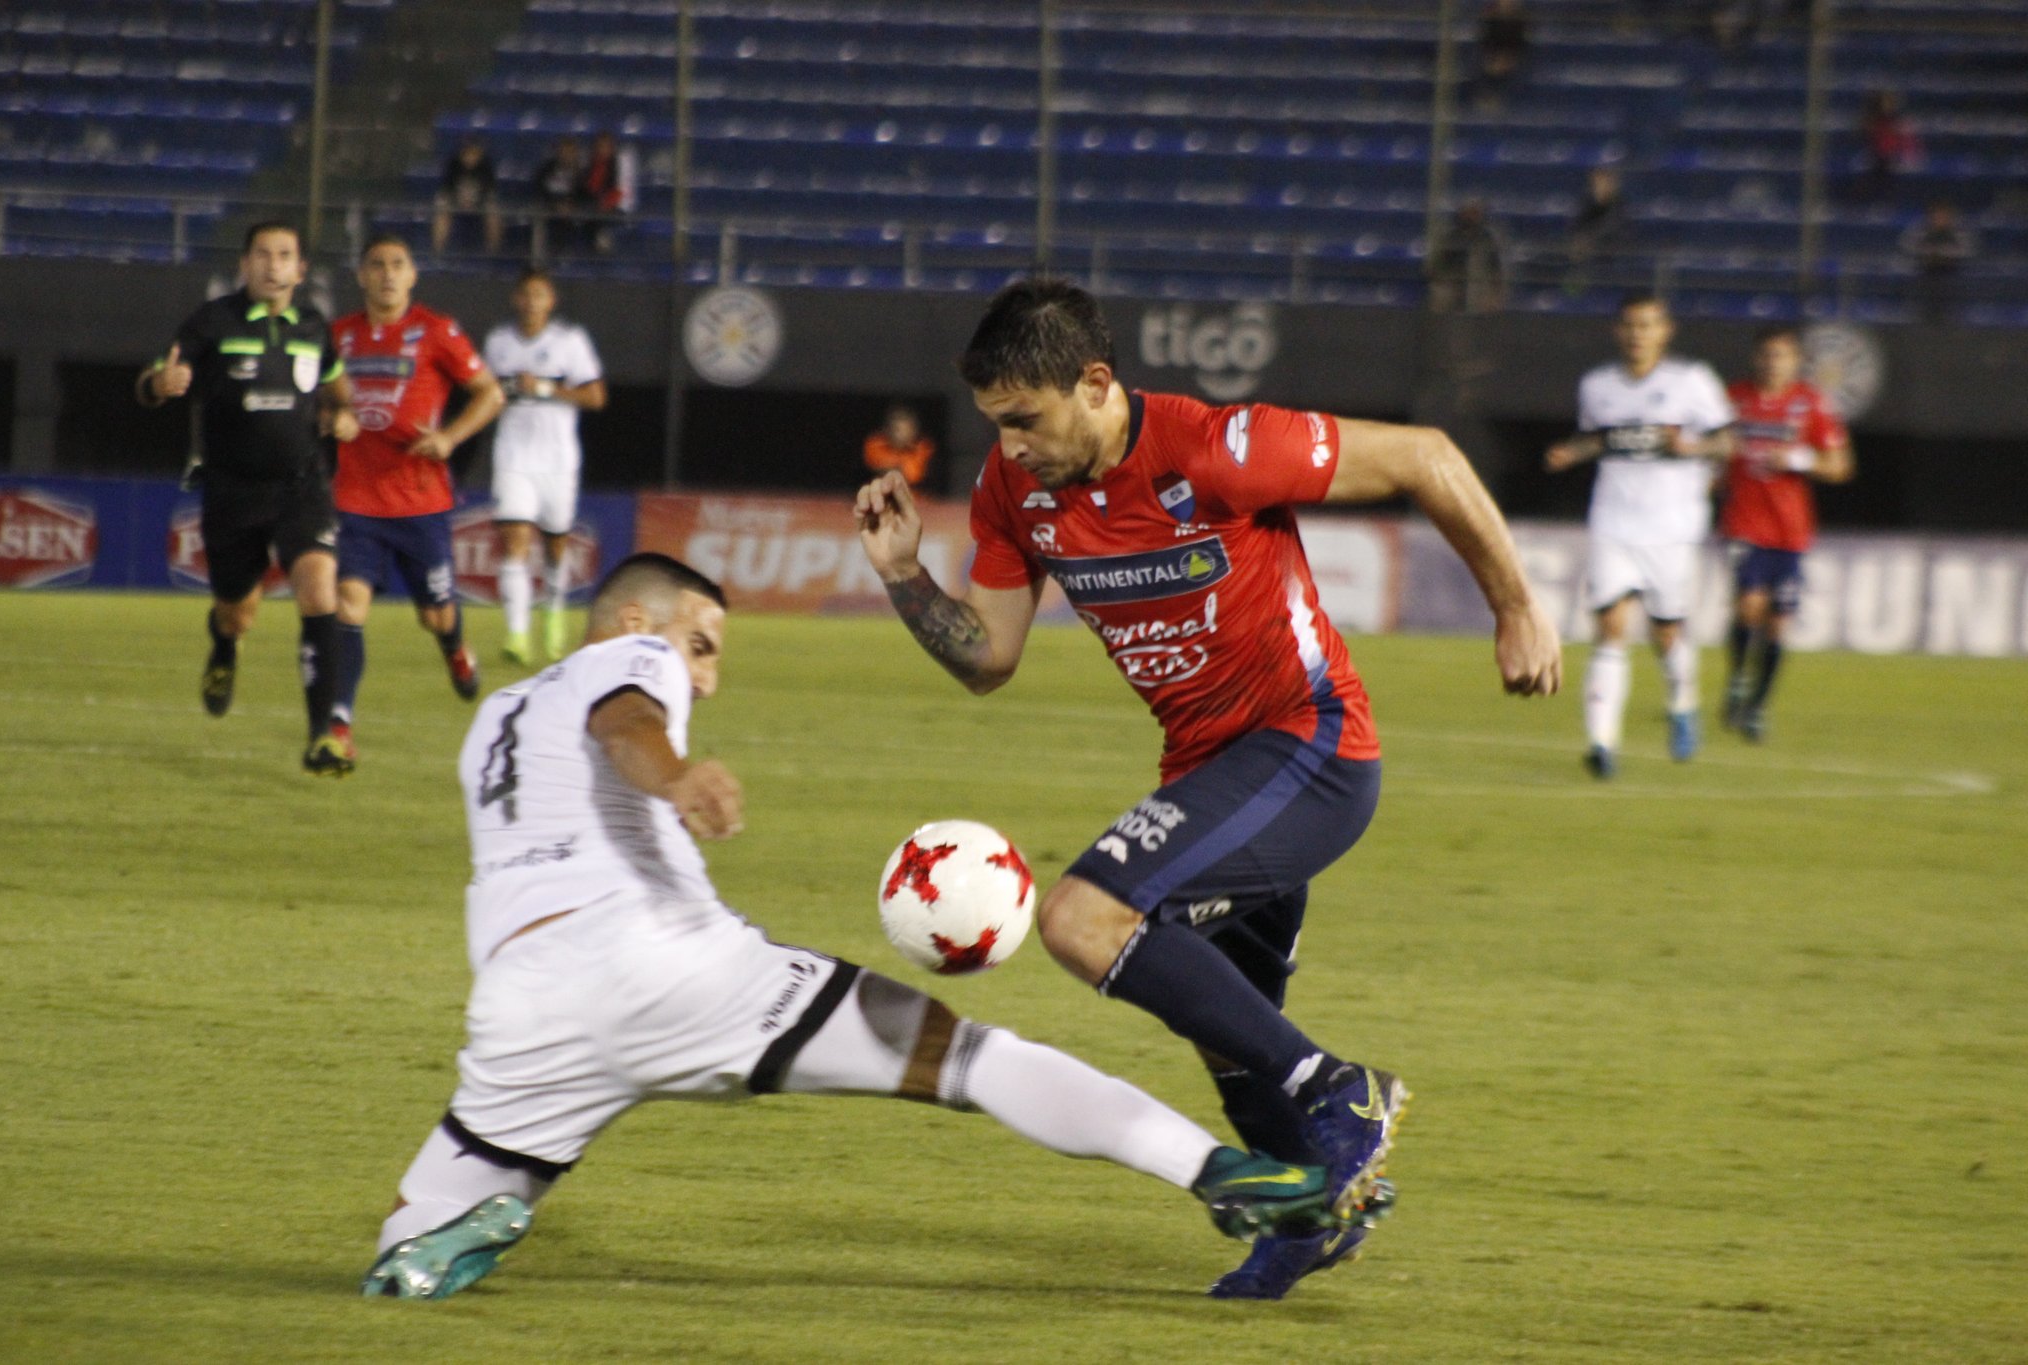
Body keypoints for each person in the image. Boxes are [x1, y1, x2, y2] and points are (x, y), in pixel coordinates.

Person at [361, 552, 1349, 1301]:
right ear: (633, 620)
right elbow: (623, 721)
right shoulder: (628, 658)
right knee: (972, 1060)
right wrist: (674, 775)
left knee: (403, 1246)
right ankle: (1220, 1173)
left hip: (521, 1013)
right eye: (699, 646)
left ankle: (451, 1229)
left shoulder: (493, 715)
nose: (703, 677)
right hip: (672, 970)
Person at [853, 278, 1562, 1300]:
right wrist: (903, 575)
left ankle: (1343, 1094)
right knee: (1228, 1031)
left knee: (1081, 920)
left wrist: (1514, 609)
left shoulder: (1214, 448)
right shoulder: (1014, 494)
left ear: (1095, 383)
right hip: (1207, 774)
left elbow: (1426, 457)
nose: (1008, 446)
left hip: (1308, 748)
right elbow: (988, 656)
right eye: (995, 425)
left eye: (1024, 420)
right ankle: (1309, 1219)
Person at [135, 220, 359, 777]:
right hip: (233, 494)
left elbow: (337, 388)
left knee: (318, 591)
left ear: (300, 270)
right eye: (262, 254)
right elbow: (151, 379)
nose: (273, 265)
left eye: (285, 255)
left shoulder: (314, 328)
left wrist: (343, 414)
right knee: (238, 614)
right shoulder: (214, 322)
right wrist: (160, 386)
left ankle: (322, 737)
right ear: (245, 264)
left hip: (302, 488)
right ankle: (224, 647)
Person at [328, 234, 506, 761]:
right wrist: (329, 418)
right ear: (360, 275)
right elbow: (316, 399)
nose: (386, 274)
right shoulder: (337, 337)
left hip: (420, 505)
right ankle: (339, 723)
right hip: (356, 500)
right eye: (376, 265)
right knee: (348, 606)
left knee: (435, 615)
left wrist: (449, 438)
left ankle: (454, 648)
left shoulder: (436, 331)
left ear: (412, 276)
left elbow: (491, 394)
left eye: (397, 265)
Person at [1546, 295, 1735, 777]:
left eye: (1648, 326)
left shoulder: (1691, 381)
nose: (1638, 334)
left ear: (1665, 331)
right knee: (1610, 627)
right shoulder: (1598, 386)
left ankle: (1682, 703)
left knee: (1666, 631)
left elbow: (1728, 441)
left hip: (1672, 527)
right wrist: (1571, 452)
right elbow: (1598, 438)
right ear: (1618, 331)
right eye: (1630, 325)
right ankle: (1602, 743)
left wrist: (1692, 446)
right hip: (1613, 522)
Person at [1720, 326, 1854, 741]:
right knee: (1749, 605)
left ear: (1796, 362)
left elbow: (1841, 466)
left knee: (1779, 624)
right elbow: (1714, 450)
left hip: (1792, 532)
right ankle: (1739, 676)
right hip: (1745, 523)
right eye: (1766, 354)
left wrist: (1799, 458)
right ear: (1755, 358)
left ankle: (1758, 705)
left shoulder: (1810, 405)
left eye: (1781, 356)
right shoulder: (1733, 399)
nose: (1772, 363)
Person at [481, 269, 606, 664]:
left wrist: (547, 388)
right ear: (517, 299)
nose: (532, 302)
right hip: (513, 456)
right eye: (526, 294)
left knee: (555, 545)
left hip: (558, 460)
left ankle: (553, 609)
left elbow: (596, 397)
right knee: (515, 540)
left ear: (550, 300)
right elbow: (485, 392)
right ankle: (517, 633)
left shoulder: (569, 342)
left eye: (540, 295)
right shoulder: (498, 343)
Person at [1899, 200, 1976, 325]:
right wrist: (1928, 253)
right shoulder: (1920, 229)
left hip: (1953, 271)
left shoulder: (1959, 231)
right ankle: (1921, 312)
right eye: (1937, 215)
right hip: (1925, 270)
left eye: (1944, 215)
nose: (1940, 218)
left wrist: (1945, 254)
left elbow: (1968, 250)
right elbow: (1907, 246)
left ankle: (1952, 314)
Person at [1428, 198, 1507, 314]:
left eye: (1475, 213)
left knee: (1489, 300)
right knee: (1441, 295)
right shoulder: (1451, 238)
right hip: (1453, 283)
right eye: (1468, 212)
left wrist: (1494, 295)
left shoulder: (1487, 238)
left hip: (1479, 283)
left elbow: (1496, 270)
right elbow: (1438, 269)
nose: (1471, 217)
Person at [432, 139, 502, 258]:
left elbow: (489, 192)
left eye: (474, 153)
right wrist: (460, 202)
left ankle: (493, 253)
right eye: (468, 153)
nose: (470, 157)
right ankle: (438, 253)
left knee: (494, 212)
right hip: (456, 202)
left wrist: (474, 203)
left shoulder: (485, 166)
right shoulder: (453, 165)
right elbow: (447, 190)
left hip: (480, 203)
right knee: (442, 211)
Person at [531, 137, 586, 256]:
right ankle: (537, 260)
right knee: (538, 218)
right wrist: (555, 204)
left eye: (571, 152)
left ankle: (569, 256)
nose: (567, 156)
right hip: (549, 207)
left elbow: (585, 194)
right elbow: (539, 189)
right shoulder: (547, 168)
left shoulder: (582, 173)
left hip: (573, 209)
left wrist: (571, 203)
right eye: (564, 152)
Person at [862, 404, 936, 489]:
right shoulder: (875, 444)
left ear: (914, 430)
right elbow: (874, 467)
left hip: (919, 498)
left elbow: (914, 476)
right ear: (887, 429)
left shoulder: (924, 448)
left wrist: (894, 469)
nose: (899, 435)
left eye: (904, 430)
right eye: (896, 429)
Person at [1473, 0, 1529, 110]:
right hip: (1492, 59)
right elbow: (1484, 41)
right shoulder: (1490, 18)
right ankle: (1486, 99)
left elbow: (1521, 44)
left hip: (1512, 59)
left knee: (1509, 70)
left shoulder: (1520, 20)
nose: (1506, 3)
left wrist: (1508, 59)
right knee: (1484, 68)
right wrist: (1493, 59)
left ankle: (1504, 104)